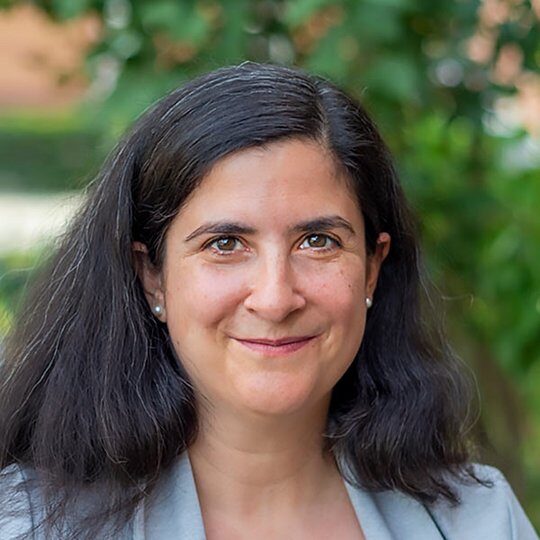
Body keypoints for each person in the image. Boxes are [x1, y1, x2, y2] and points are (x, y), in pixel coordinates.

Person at [0, 63, 536, 540]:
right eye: (225, 244)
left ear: (372, 267)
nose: (276, 298)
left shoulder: (479, 521)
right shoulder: (31, 525)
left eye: (318, 241)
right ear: (152, 276)